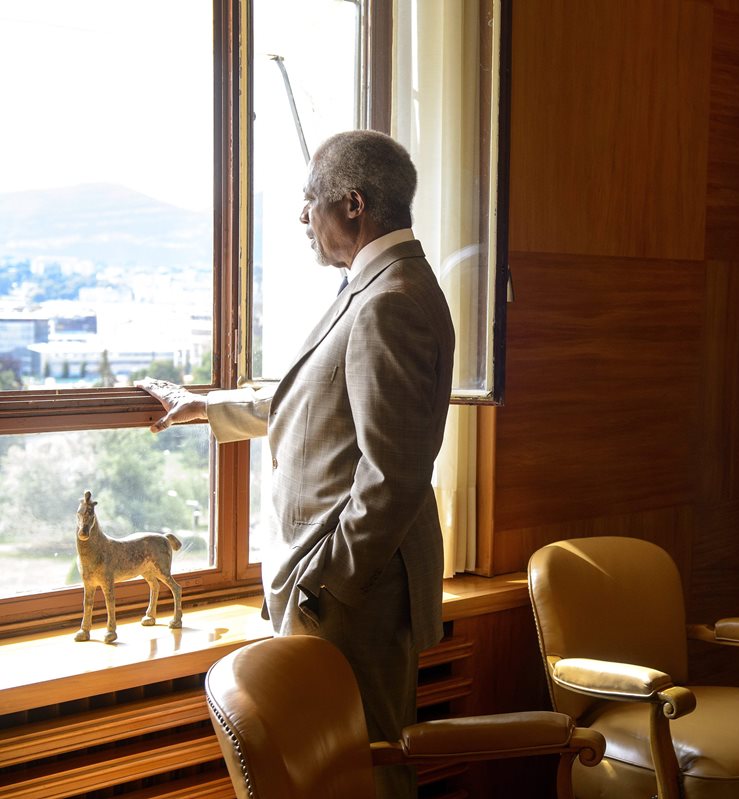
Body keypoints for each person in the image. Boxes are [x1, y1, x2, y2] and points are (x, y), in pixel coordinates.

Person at [139, 130, 455, 798]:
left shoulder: (389, 302)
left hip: (351, 595)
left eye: (308, 200)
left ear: (352, 205)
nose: (300, 216)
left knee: (364, 771)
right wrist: (209, 406)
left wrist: (326, 580)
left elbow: (391, 477)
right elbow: (321, 398)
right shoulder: (379, 284)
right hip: (347, 589)